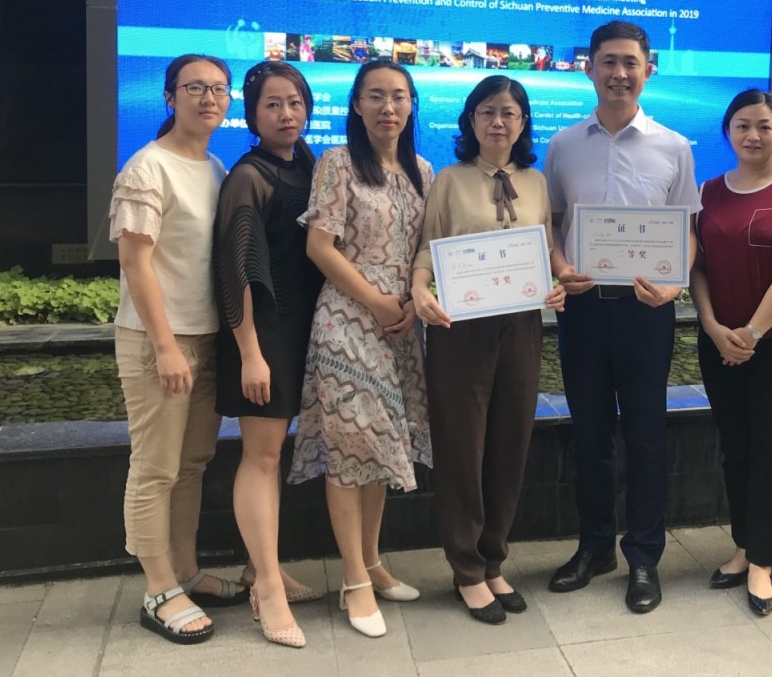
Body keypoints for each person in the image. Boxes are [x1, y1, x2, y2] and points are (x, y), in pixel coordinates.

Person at [544, 20, 701, 614]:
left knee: (645, 434)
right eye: (608, 61)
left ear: (648, 70)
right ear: (588, 68)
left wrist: (675, 284)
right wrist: (561, 266)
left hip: (645, 310)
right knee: (590, 434)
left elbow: (687, 230)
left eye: (630, 62)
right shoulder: (564, 145)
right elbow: (553, 222)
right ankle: (594, 548)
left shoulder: (673, 147)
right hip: (584, 309)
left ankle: (643, 557)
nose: (619, 73)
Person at [412, 76, 567, 625]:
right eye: (487, 112)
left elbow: (544, 249)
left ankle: (494, 559)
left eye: (509, 113)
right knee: (462, 446)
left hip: (521, 325)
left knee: (509, 441)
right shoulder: (449, 180)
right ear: (471, 121)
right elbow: (427, 249)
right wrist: (419, 290)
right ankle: (467, 569)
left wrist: (557, 283)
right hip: (461, 328)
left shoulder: (537, 182)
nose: (498, 122)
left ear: (523, 123)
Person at [287, 60, 432, 638]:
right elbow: (319, 247)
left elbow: (423, 250)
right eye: (375, 96)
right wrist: (375, 300)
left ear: (411, 104)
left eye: (398, 96)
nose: (388, 107)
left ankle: (371, 562)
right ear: (356, 104)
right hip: (348, 320)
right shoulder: (338, 162)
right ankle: (353, 579)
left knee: (380, 446)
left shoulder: (422, 170)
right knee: (351, 446)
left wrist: (410, 302)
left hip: (400, 324)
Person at [109, 53, 246, 645]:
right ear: (170, 97)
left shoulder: (214, 166)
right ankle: (159, 590)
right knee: (155, 467)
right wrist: (165, 347)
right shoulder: (147, 168)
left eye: (219, 88)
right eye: (195, 88)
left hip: (207, 335)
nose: (209, 98)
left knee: (191, 464)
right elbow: (135, 264)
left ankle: (185, 571)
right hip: (158, 341)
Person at [689, 90, 772, 617]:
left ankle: (765, 562)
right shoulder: (708, 191)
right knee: (736, 448)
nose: (753, 135)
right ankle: (744, 546)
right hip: (719, 341)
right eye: (743, 125)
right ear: (727, 131)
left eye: (764, 126)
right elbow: (698, 267)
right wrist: (711, 326)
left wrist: (749, 334)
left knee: (771, 453)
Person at [213, 62, 325, 648]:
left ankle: (260, 569)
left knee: (272, 454)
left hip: (302, 330)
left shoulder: (309, 165)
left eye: (296, 103)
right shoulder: (247, 177)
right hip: (263, 336)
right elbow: (234, 273)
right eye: (273, 104)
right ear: (252, 114)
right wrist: (250, 354)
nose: (287, 114)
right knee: (260, 457)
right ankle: (268, 591)